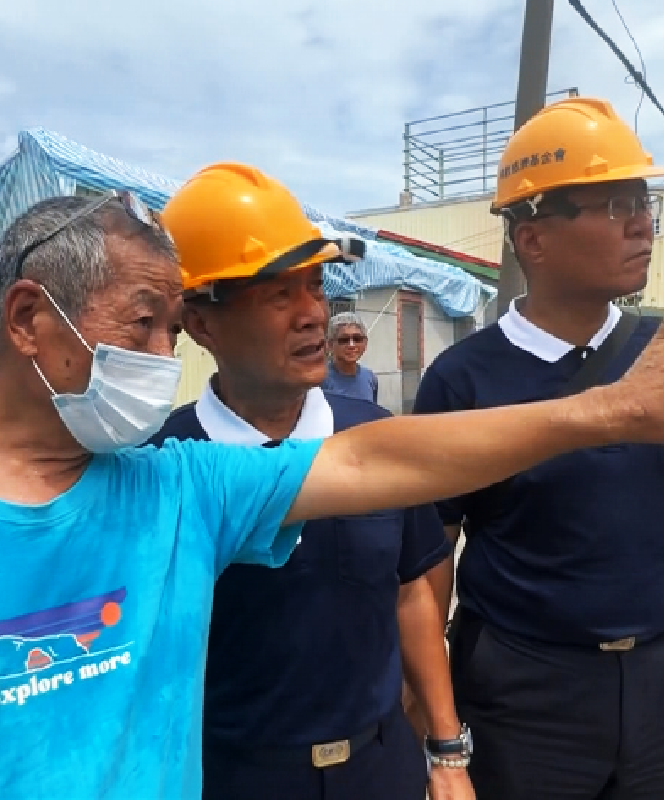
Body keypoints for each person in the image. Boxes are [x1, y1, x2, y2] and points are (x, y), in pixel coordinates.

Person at [0, 183, 664, 800]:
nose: (161, 357)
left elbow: (377, 462)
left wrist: (609, 410)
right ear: (31, 319)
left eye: (168, 331)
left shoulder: (174, 490)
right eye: (144, 325)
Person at [413, 97, 664, 800]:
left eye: (642, 204)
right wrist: (443, 738)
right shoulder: (463, 380)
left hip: (661, 681)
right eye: (613, 206)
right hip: (522, 694)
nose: (642, 224)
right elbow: (427, 569)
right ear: (533, 239)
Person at [150, 163, 466, 800]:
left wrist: (446, 750)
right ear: (201, 323)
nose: (313, 315)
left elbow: (413, 593)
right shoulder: (164, 467)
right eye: (278, 294)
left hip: (380, 768)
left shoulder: (374, 439)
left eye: (316, 287)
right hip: (234, 777)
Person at [322, 312, 378, 403]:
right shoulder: (320, 380)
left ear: (365, 343)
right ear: (330, 344)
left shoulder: (370, 378)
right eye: (344, 340)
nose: (351, 345)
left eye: (357, 339)